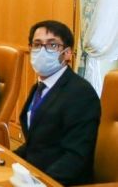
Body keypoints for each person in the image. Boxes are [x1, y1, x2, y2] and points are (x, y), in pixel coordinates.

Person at [14, 20, 100, 186]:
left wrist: (41, 183)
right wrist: (5, 159)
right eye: (37, 44)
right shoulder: (39, 87)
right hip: (32, 175)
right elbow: (36, 144)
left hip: (60, 181)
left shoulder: (81, 94)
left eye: (52, 45)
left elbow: (75, 157)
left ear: (67, 53)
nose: (43, 51)